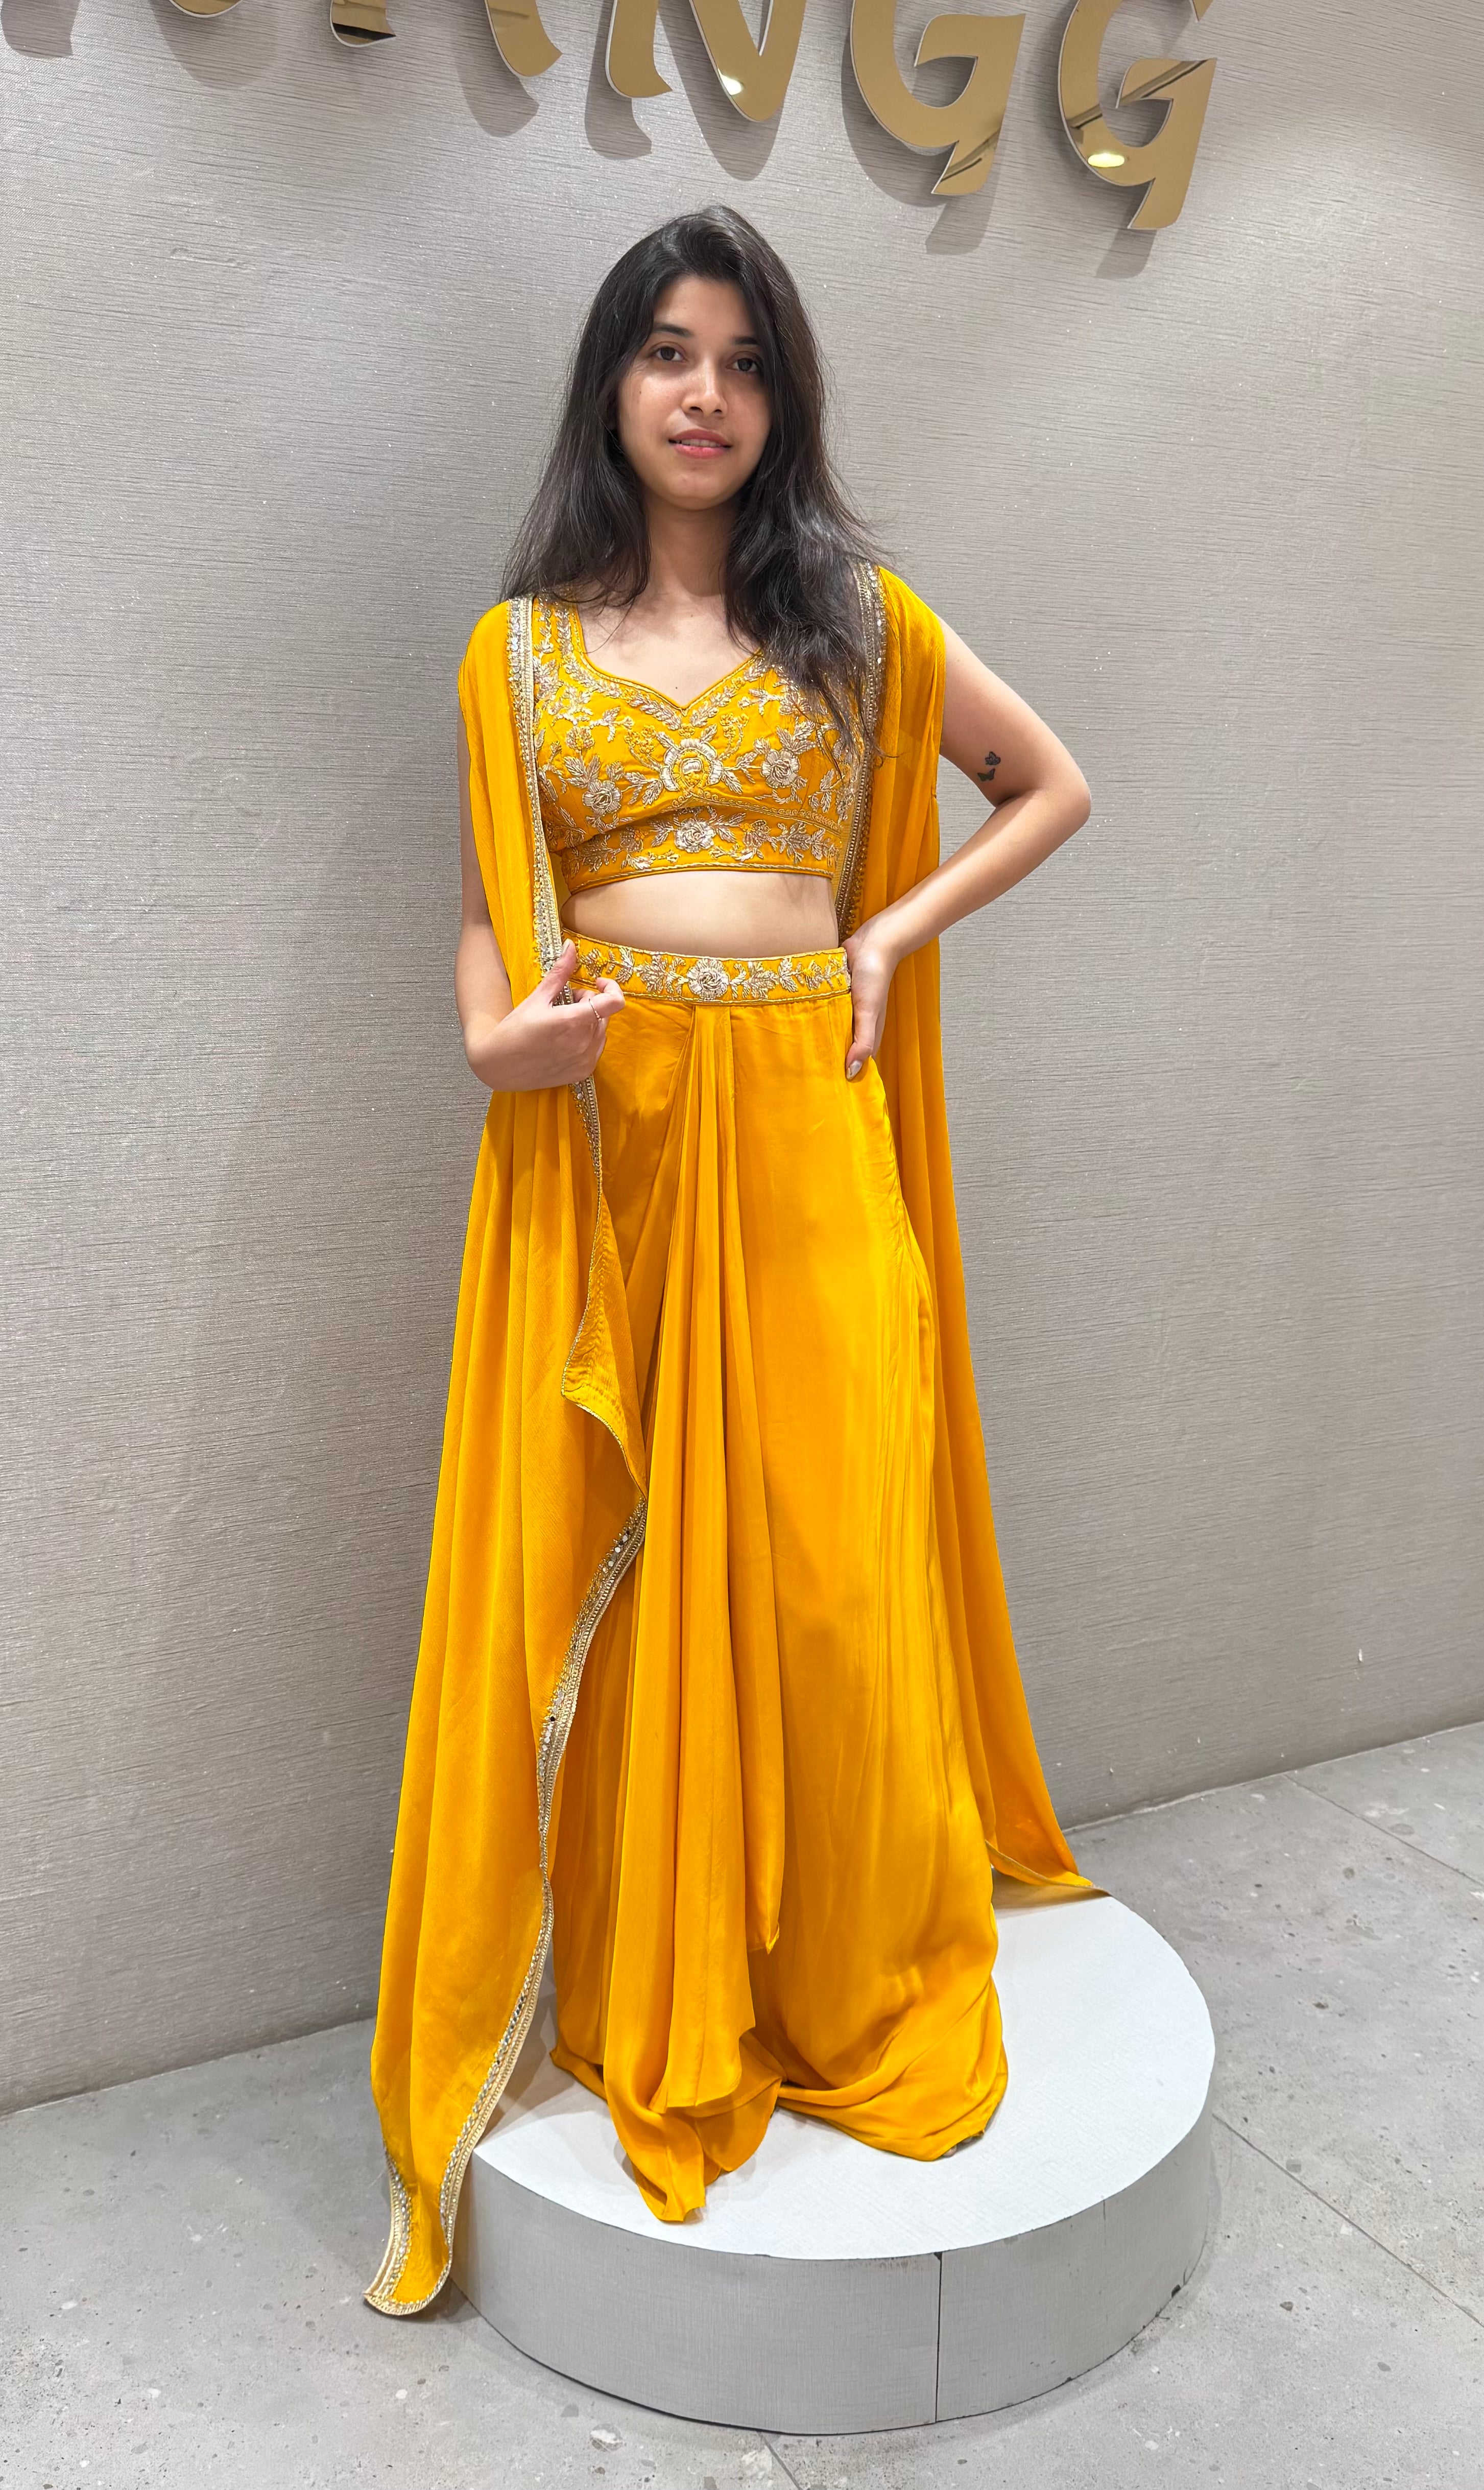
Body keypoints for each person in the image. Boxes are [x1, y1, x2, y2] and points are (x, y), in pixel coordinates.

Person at [367, 205, 1095, 2318]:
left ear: (783, 399)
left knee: (832, 1564)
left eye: (746, 360)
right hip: (619, 1145)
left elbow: (1049, 786)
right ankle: (672, 1973)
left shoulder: (855, 618)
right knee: (655, 1561)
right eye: (669, 352)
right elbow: (497, 905)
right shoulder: (518, 650)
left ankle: (855, 1963)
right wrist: (492, 1036)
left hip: (804, 1128)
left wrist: (884, 933)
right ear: (613, 383)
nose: (706, 393)